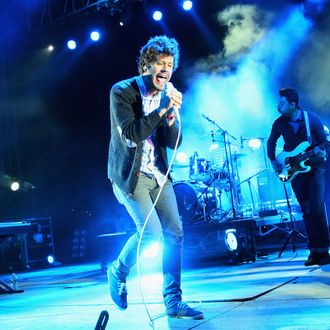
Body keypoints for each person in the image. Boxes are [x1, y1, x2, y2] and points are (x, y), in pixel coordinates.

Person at [107, 35, 204, 319]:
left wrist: (172, 116)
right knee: (150, 233)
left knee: (175, 233)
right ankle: (117, 271)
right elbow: (130, 136)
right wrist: (162, 108)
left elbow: (174, 143)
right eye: (159, 63)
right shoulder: (122, 92)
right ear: (145, 66)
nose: (165, 69)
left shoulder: (167, 96)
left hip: (159, 175)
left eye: (170, 65)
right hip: (130, 175)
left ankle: (173, 302)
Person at [267, 87, 330, 266]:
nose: (278, 106)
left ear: (292, 104)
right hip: (295, 171)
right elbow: (271, 141)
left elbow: (326, 143)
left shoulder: (312, 119)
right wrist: (273, 160)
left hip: (315, 168)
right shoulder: (279, 123)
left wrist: (320, 152)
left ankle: (324, 250)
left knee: (316, 208)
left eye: (282, 103)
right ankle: (314, 252)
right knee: (306, 210)